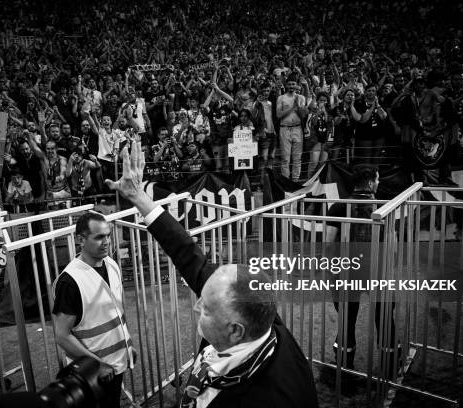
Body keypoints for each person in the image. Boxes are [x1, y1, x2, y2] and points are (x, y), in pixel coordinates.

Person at [105, 141, 319, 408]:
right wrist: (138, 196)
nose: (196, 306)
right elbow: (188, 254)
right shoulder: (259, 320)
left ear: (234, 331)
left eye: (206, 308)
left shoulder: (269, 398)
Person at [324, 165, 400, 390]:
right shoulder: (385, 207)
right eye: (376, 180)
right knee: (384, 317)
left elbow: (328, 244)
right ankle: (391, 366)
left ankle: (344, 367)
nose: (378, 183)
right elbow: (393, 245)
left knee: (347, 319)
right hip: (377, 269)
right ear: (369, 183)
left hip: (347, 270)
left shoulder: (338, 206)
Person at [52, 212, 136, 408]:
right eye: (99, 237)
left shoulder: (111, 264)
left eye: (107, 235)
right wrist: (97, 364)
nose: (106, 241)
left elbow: (116, 314)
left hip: (115, 364)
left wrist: (128, 344)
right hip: (90, 372)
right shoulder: (70, 281)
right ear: (80, 240)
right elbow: (62, 336)